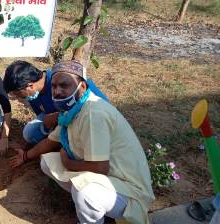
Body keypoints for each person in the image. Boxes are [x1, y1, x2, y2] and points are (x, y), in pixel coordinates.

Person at [13, 60, 155, 223]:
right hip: (109, 179)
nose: (57, 91)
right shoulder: (72, 111)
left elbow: (100, 167)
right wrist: (25, 156)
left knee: (85, 193)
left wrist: (67, 162)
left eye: (64, 85)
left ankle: (94, 212)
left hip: (129, 190)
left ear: (82, 87)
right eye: (54, 86)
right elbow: (50, 142)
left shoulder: (93, 114)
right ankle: (95, 207)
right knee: (48, 162)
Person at [3, 60, 58, 145]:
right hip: (51, 119)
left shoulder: (57, 85)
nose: (18, 98)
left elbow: (71, 113)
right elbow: (42, 114)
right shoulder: (32, 93)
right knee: (29, 133)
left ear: (30, 86)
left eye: (18, 94)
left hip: (69, 119)